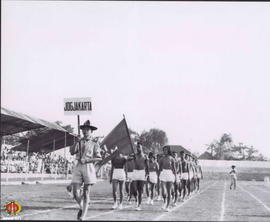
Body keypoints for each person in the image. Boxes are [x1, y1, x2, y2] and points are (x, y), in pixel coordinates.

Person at [69, 120, 102, 221]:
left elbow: (99, 158)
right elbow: (72, 152)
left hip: (88, 167)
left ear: (91, 131)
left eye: (87, 129)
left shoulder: (94, 143)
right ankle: (83, 206)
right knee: (75, 193)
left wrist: (88, 159)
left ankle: (83, 215)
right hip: (78, 166)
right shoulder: (79, 141)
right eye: (84, 129)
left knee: (86, 192)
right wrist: (77, 141)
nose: (85, 131)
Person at [158, 146, 176, 212]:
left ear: (168, 151)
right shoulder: (161, 159)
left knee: (169, 192)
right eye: (164, 150)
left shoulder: (172, 159)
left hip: (170, 174)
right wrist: (158, 175)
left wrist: (176, 177)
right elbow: (159, 168)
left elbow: (174, 169)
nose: (164, 151)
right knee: (163, 191)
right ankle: (165, 201)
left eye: (166, 150)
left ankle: (167, 206)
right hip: (163, 173)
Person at [132, 142, 149, 211]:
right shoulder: (134, 155)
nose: (138, 148)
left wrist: (147, 174)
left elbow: (147, 166)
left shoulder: (145, 156)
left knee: (140, 190)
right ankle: (136, 198)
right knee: (134, 189)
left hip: (142, 173)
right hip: (135, 172)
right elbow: (129, 159)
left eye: (139, 147)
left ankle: (139, 205)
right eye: (137, 147)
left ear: (142, 147)